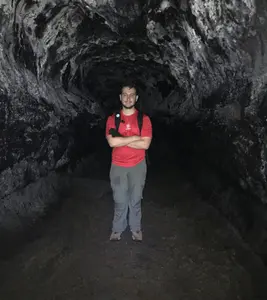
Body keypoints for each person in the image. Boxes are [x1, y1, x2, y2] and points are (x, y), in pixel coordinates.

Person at [105, 81, 152, 241]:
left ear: (136, 98)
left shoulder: (143, 119)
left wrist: (121, 139)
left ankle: (136, 228)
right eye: (125, 95)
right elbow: (112, 142)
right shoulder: (113, 119)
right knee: (119, 199)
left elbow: (145, 144)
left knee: (135, 199)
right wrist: (134, 138)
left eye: (131, 95)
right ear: (120, 97)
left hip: (138, 165)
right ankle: (117, 229)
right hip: (118, 166)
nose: (128, 98)